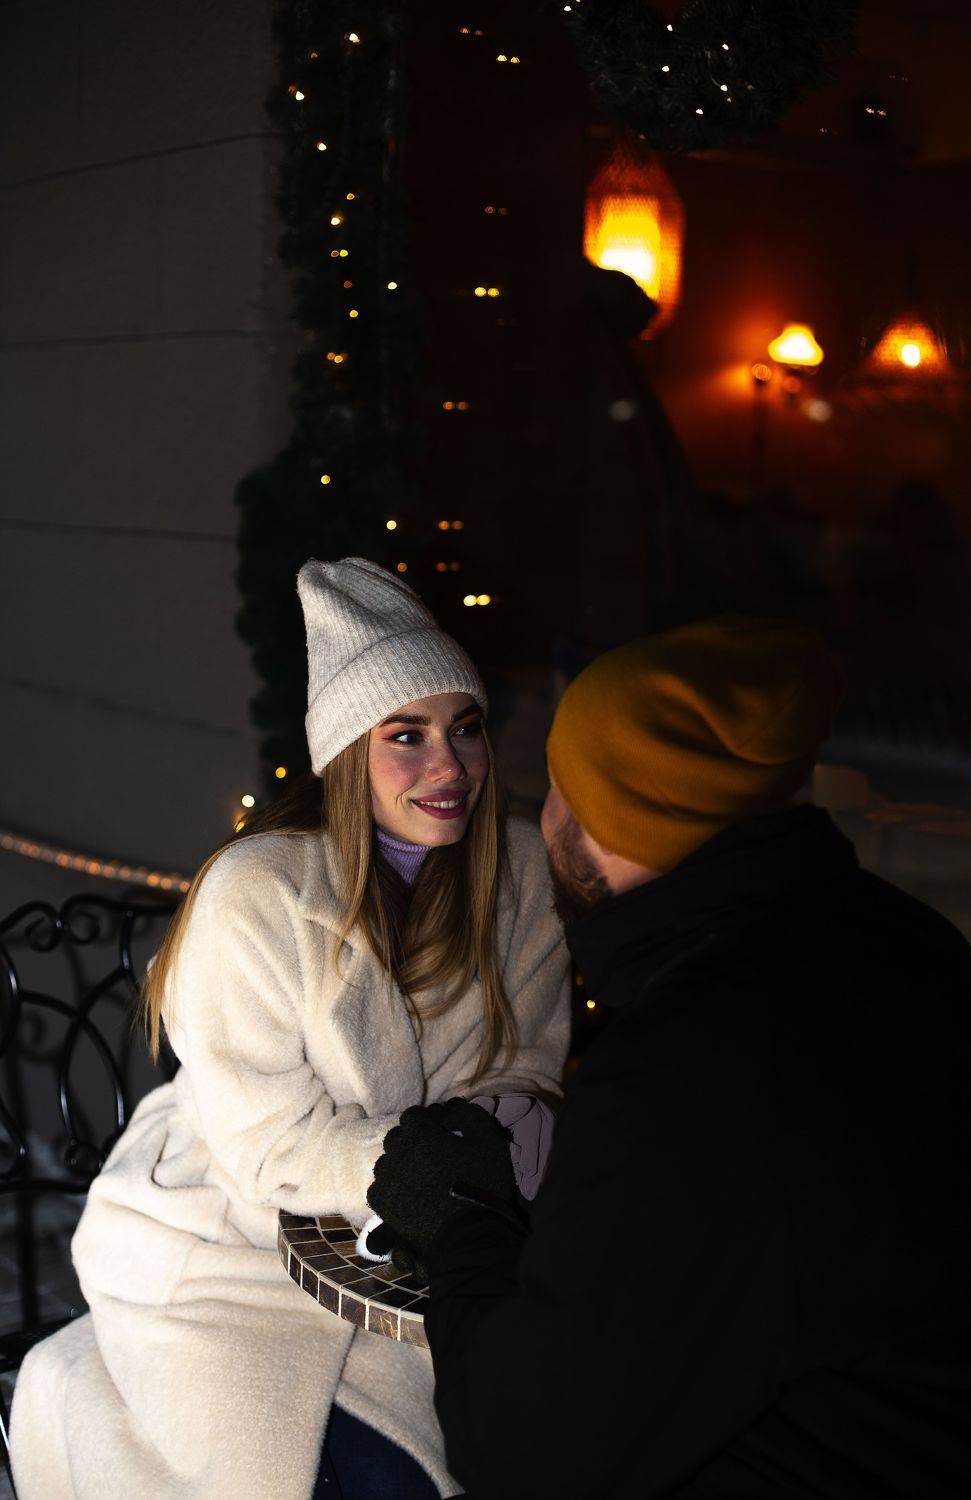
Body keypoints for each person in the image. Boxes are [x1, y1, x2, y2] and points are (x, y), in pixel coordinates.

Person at [369, 616, 971, 1499]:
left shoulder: (685, 1071)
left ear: (609, 819)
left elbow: (527, 1452)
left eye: (559, 789)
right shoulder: (907, 940)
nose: (541, 818)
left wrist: (459, 1221)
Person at [10, 557, 570, 1500]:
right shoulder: (258, 893)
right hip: (233, 1238)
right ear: (348, 752)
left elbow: (524, 1066)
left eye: (466, 728)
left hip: (436, 1256)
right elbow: (270, 1145)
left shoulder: (516, 873)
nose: (450, 767)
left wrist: (489, 1148)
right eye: (407, 735)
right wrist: (424, 1156)